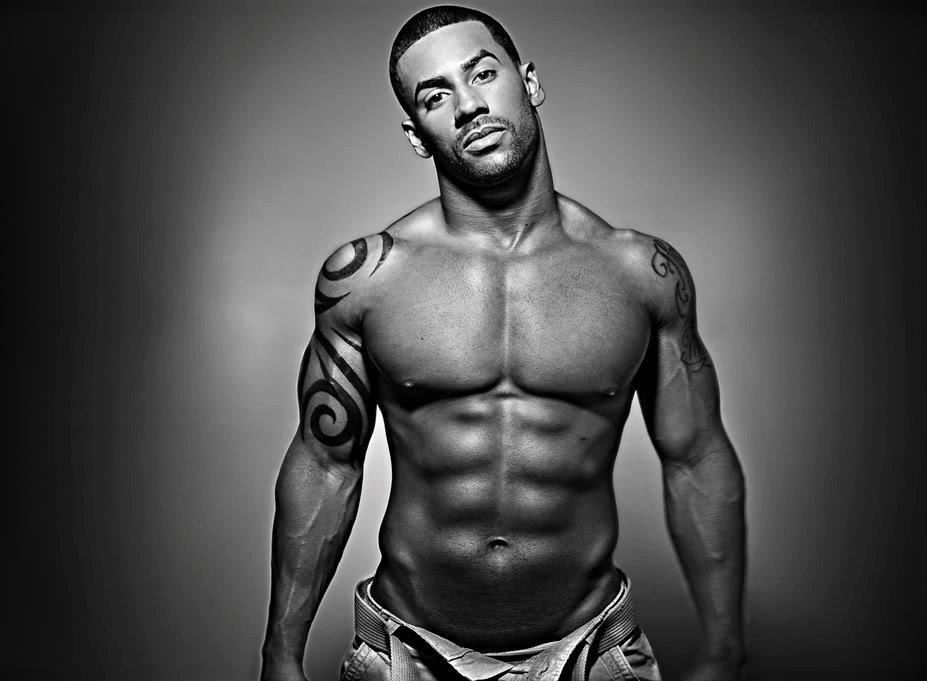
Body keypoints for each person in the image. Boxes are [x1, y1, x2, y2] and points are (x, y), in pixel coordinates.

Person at [260, 6, 746, 681]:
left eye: (482, 74)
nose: (468, 105)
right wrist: (281, 654)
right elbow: (325, 463)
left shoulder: (639, 273)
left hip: (592, 651)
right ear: (416, 136)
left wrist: (723, 649)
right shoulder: (367, 279)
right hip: (409, 653)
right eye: (435, 96)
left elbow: (695, 458)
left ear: (529, 82)